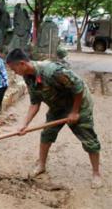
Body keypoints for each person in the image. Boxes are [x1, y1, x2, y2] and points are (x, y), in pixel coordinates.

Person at [6, 48, 102, 189]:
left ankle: (96, 173)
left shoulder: (52, 71)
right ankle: (41, 165)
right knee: (47, 134)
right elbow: (35, 103)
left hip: (79, 104)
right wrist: (24, 124)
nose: (14, 72)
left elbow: (78, 86)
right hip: (57, 106)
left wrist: (75, 112)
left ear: (22, 64)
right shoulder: (28, 77)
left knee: (88, 138)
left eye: (13, 68)